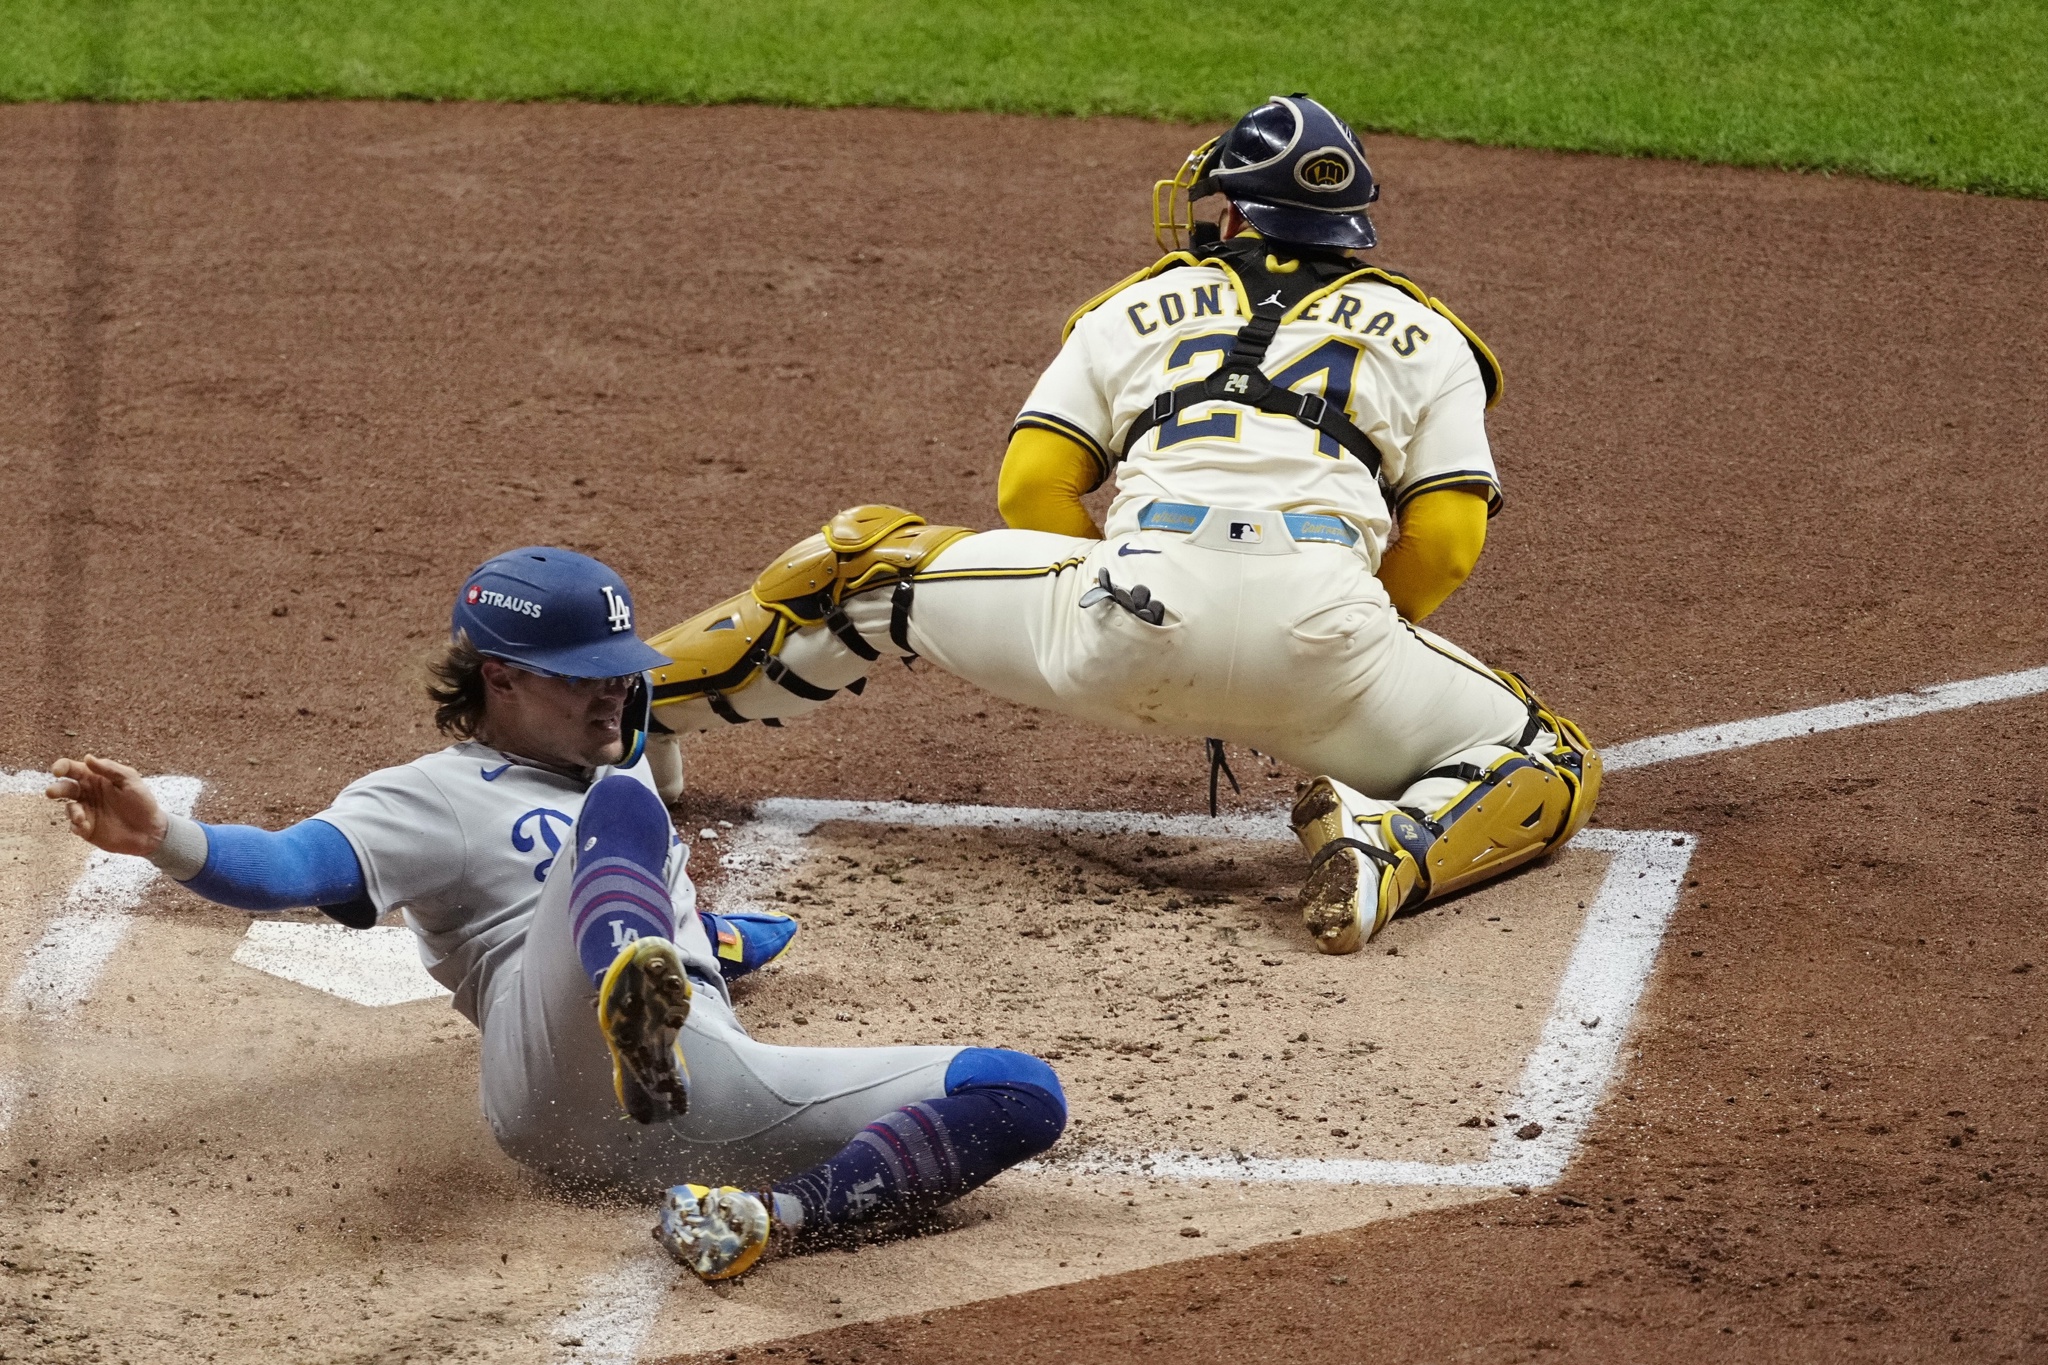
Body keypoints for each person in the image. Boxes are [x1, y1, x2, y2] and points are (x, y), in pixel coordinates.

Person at [640, 94, 1601, 956]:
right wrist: (1334, 642)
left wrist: (1136, 595)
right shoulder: (1433, 336)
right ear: (1349, 228)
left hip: (1125, 617)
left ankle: (628, 713)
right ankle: (1390, 851)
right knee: (1551, 759)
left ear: (1233, 210)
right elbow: (1446, 541)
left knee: (863, 564)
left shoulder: (1136, 304)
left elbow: (1033, 487)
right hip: (1329, 652)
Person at [45, 546, 1066, 1282]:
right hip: (552, 1087)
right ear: (498, 677)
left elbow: (677, 924)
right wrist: (166, 838)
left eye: (622, 675)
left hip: (707, 1100)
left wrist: (719, 947)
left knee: (1017, 1092)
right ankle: (632, 991)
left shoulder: (609, 801)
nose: (613, 698)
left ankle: (766, 1218)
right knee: (624, 807)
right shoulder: (432, 793)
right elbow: (288, 867)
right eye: (582, 681)